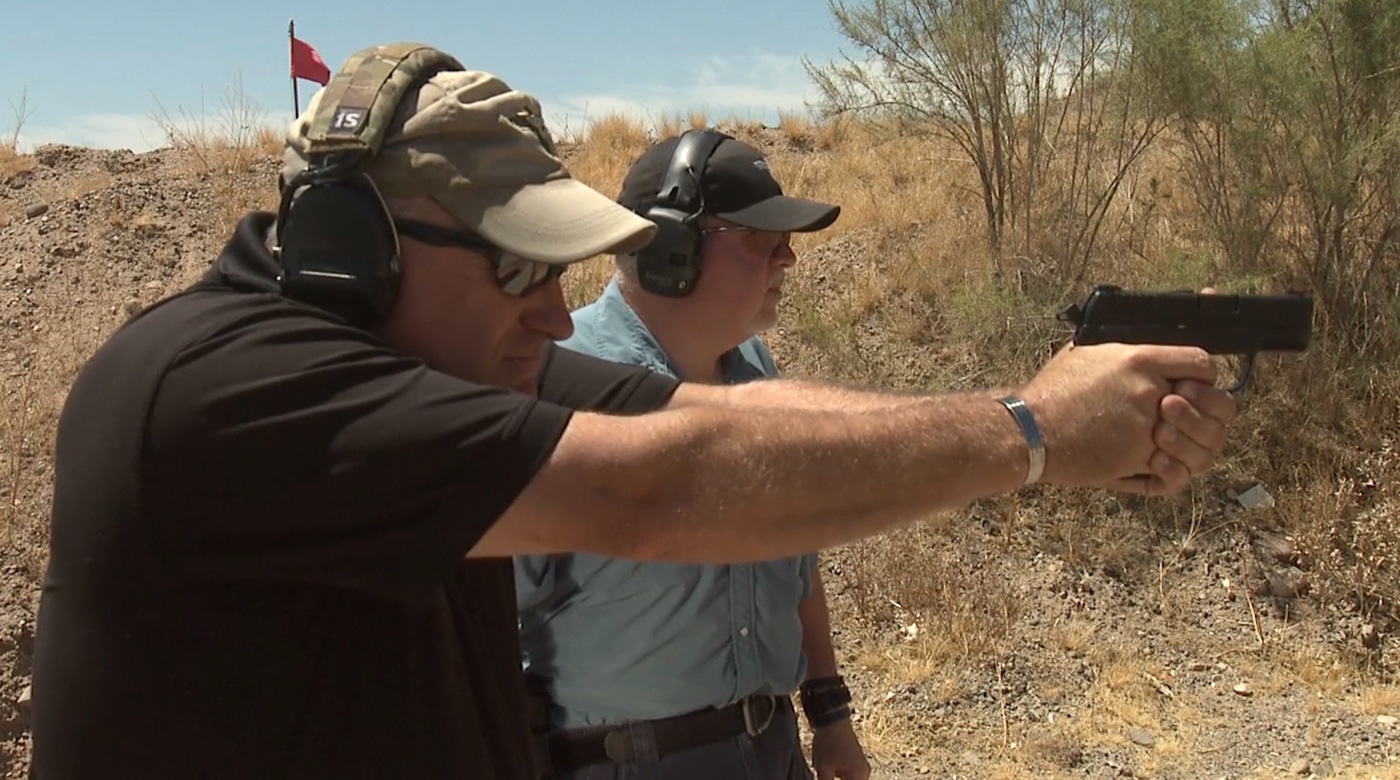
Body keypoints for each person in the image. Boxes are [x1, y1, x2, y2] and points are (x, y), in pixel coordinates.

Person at [28, 42, 1238, 780]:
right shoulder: (223, 385)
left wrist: (1069, 420)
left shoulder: (445, 359)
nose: (555, 319)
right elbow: (652, 488)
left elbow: (725, 430)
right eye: (517, 269)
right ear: (357, 249)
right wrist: (1024, 436)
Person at [515, 130, 869, 780]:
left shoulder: (757, 372)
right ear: (671, 251)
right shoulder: (554, 386)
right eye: (763, 240)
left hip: (773, 747)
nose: (788, 257)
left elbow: (798, 557)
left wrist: (829, 714)